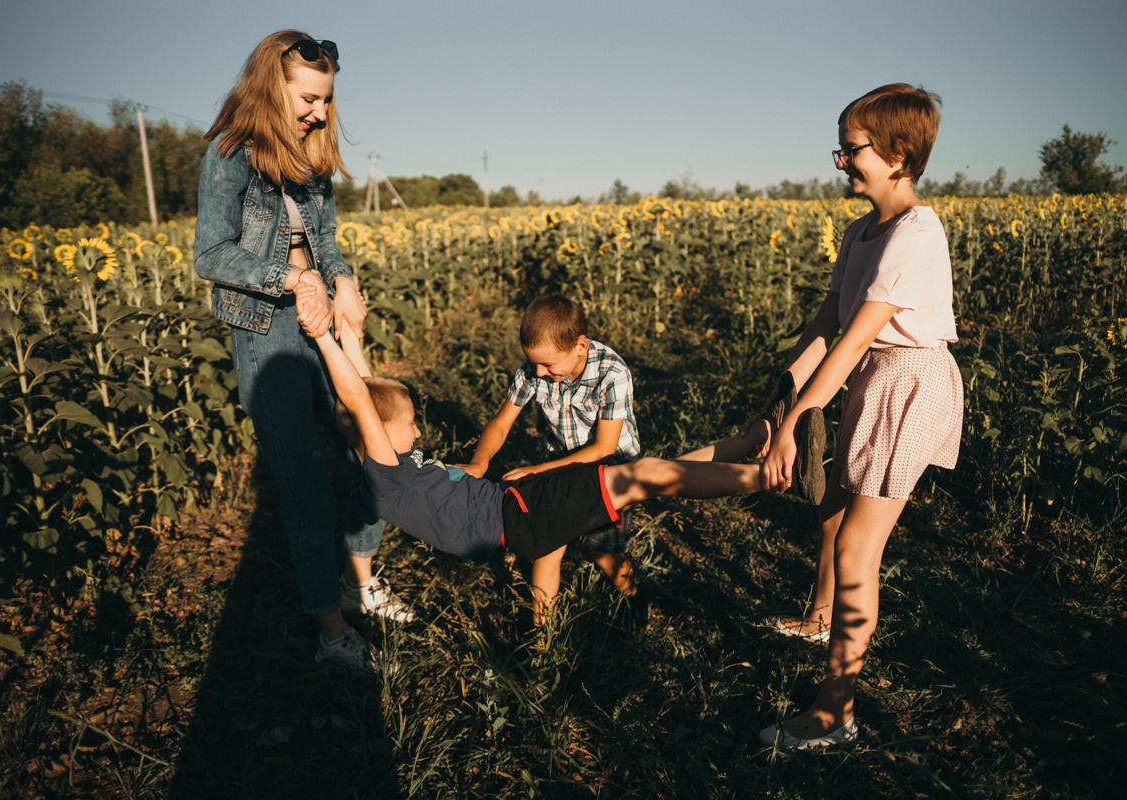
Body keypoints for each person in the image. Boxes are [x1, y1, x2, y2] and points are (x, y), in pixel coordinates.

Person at [194, 30, 412, 675]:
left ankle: (358, 580)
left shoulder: (311, 157)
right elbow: (211, 255)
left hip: (325, 324)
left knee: (379, 448)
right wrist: (293, 279)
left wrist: (342, 280)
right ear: (271, 86)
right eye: (308, 99)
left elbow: (328, 243)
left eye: (326, 99)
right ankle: (330, 626)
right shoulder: (229, 155)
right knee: (306, 484)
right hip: (268, 329)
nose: (319, 112)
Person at [754, 84, 963, 749]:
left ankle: (835, 710)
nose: (840, 162)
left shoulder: (915, 232)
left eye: (852, 149)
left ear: (899, 153)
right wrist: (785, 387)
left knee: (857, 546)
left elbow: (856, 339)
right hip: (871, 380)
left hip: (906, 387)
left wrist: (798, 421)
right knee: (831, 510)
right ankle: (821, 618)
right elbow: (829, 323)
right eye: (840, 148)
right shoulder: (859, 231)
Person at [301, 314, 770, 610]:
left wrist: (349, 335)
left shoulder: (382, 462)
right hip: (515, 511)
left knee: (648, 478)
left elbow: (365, 399)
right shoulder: (388, 477)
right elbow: (361, 401)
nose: (420, 432)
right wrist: (322, 336)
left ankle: (543, 645)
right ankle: (771, 474)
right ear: (380, 435)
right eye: (410, 425)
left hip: (521, 502)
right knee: (650, 476)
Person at [457, 295, 643, 624]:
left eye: (548, 365)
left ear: (580, 346)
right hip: (562, 465)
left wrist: (536, 472)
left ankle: (635, 605)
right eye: (535, 364)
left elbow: (603, 448)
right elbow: (501, 423)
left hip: (612, 471)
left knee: (604, 551)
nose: (539, 372)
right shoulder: (535, 369)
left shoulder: (612, 373)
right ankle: (542, 637)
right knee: (546, 548)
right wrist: (479, 463)